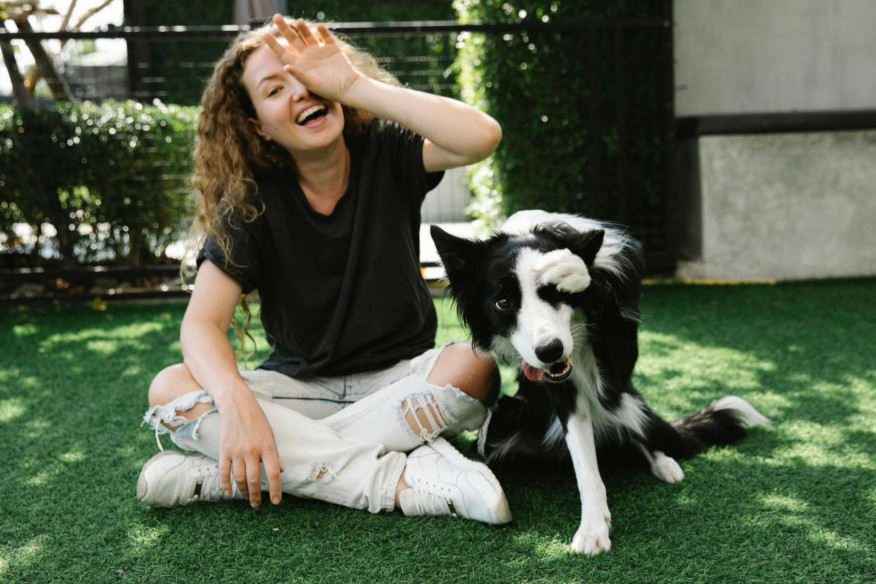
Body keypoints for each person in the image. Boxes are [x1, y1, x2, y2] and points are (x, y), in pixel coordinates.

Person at [137, 14, 511, 525]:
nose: (301, 92)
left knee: (475, 368)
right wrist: (236, 402)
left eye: (306, 76)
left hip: (400, 381)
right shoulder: (250, 201)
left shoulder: (387, 147)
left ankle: (234, 474)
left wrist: (355, 85)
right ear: (257, 126)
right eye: (274, 89)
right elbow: (201, 323)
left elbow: (481, 137)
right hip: (300, 392)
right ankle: (395, 482)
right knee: (171, 389)